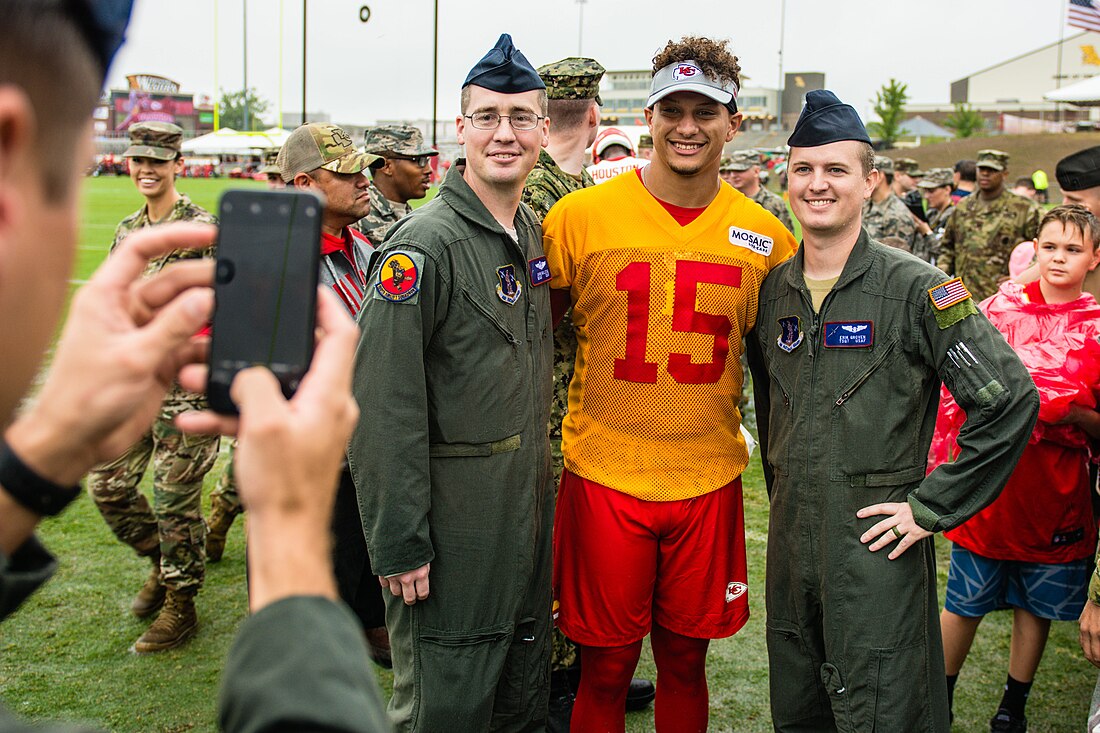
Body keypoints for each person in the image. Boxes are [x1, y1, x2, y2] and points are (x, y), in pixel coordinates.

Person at [0, 1, 390, 730]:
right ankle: (180, 581)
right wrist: (287, 534)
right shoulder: (266, 261)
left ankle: (191, 577)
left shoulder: (371, 241)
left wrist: (41, 450)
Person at [746, 89, 1038, 732]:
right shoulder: (773, 292)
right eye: (803, 170)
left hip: (874, 548)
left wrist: (932, 506)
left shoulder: (918, 289)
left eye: (836, 170)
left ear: (869, 180)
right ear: (785, 178)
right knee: (800, 707)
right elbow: (773, 409)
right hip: (793, 547)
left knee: (885, 708)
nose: (817, 185)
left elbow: (1008, 401)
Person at [543, 36, 797, 732]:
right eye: (673, 109)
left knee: (686, 663)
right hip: (604, 473)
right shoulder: (577, 218)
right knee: (605, 667)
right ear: (647, 116)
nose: (688, 126)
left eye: (705, 112)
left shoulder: (768, 237)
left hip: (706, 476)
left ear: (733, 123)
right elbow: (539, 338)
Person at [347, 34, 554, 732]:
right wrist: (400, 541)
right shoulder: (421, 247)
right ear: (459, 128)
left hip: (520, 521)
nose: (505, 133)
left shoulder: (527, 232)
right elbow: (381, 408)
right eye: (488, 116)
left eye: (521, 117)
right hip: (451, 534)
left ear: (544, 129)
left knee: (516, 698)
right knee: (446, 704)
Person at [522, 56, 655, 725]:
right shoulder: (553, 196)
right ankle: (550, 680)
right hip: (549, 396)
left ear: (545, 118)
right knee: (550, 539)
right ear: (597, 116)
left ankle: (580, 667)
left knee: (580, 539)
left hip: (578, 394)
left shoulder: (562, 188)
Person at [935, 205, 1100, 732]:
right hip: (992, 492)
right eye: (1049, 247)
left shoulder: (1095, 329)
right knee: (963, 601)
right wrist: (1014, 283)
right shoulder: (1001, 310)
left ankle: (1013, 706)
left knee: (1036, 606)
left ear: (1095, 258)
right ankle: (940, 697)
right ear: (1034, 249)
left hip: (1056, 495)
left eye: (1073, 250)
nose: (1059, 259)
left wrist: (1071, 413)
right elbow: (943, 303)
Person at [84, 119, 221, 654]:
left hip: (189, 385)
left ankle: (180, 606)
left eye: (157, 162)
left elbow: (229, 302)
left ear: (176, 166)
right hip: (138, 384)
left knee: (173, 500)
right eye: (139, 161)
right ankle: (162, 566)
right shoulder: (126, 230)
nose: (146, 170)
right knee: (107, 485)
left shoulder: (205, 229)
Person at [936, 149, 1043, 301]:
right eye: (982, 169)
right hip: (963, 296)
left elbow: (1043, 249)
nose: (985, 174)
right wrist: (941, 282)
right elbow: (948, 248)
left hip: (1001, 299)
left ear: (1004, 174)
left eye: (992, 170)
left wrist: (1019, 279)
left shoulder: (1025, 209)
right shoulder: (963, 206)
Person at [354, 124, 438, 244]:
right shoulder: (358, 216)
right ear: (386, 166)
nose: (428, 170)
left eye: (427, 161)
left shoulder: (413, 216)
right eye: (419, 161)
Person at [721, 149, 794, 233]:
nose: (733, 175)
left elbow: (787, 240)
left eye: (740, 170)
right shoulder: (725, 201)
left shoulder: (774, 204)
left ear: (756, 171)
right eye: (731, 171)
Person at [861, 154, 916, 247]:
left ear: (879, 177)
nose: (862, 180)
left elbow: (897, 258)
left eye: (866, 175)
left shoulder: (897, 215)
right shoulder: (866, 205)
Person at [911, 167, 956, 264]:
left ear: (947, 190)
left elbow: (946, 252)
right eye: (925, 191)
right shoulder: (931, 214)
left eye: (931, 191)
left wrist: (927, 233)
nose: (926, 196)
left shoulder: (954, 216)